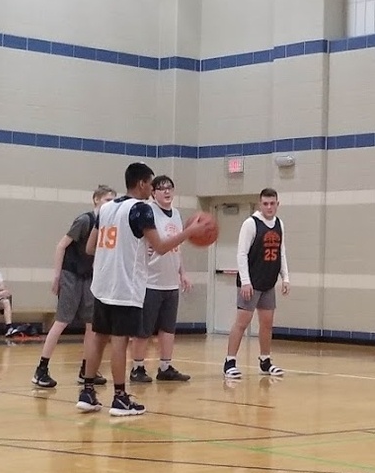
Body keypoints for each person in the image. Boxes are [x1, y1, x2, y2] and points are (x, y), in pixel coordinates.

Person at [77, 163, 208, 416]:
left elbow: (90, 248)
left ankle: (87, 392)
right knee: (119, 341)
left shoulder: (106, 208)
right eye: (150, 184)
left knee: (98, 337)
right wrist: (189, 232)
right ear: (141, 184)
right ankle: (119, 397)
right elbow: (160, 247)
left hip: (102, 283)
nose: (152, 189)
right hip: (125, 285)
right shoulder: (140, 210)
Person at [30, 185, 115, 390]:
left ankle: (87, 370)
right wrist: (57, 276)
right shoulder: (85, 220)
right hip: (71, 274)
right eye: (106, 200)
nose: (109, 204)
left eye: (113, 201)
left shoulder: (108, 224)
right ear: (96, 200)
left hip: (89, 277)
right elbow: (61, 246)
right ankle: (41, 369)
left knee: (91, 326)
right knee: (61, 321)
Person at [128, 175, 192, 384]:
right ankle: (137, 367)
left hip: (170, 281)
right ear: (153, 192)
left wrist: (182, 272)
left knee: (168, 328)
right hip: (150, 281)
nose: (166, 192)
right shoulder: (148, 212)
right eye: (161, 188)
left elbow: (177, 248)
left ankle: (165, 366)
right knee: (143, 329)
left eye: (170, 188)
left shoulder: (177, 215)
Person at [223, 188, 289, 380]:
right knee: (242, 323)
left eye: (272, 203)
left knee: (267, 323)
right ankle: (229, 362)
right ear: (260, 204)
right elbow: (241, 254)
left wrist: (286, 277)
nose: (269, 207)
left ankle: (265, 361)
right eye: (265, 203)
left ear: (278, 204)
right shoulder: (251, 224)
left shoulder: (279, 224)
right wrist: (245, 281)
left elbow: (281, 252)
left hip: (268, 281)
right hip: (251, 283)